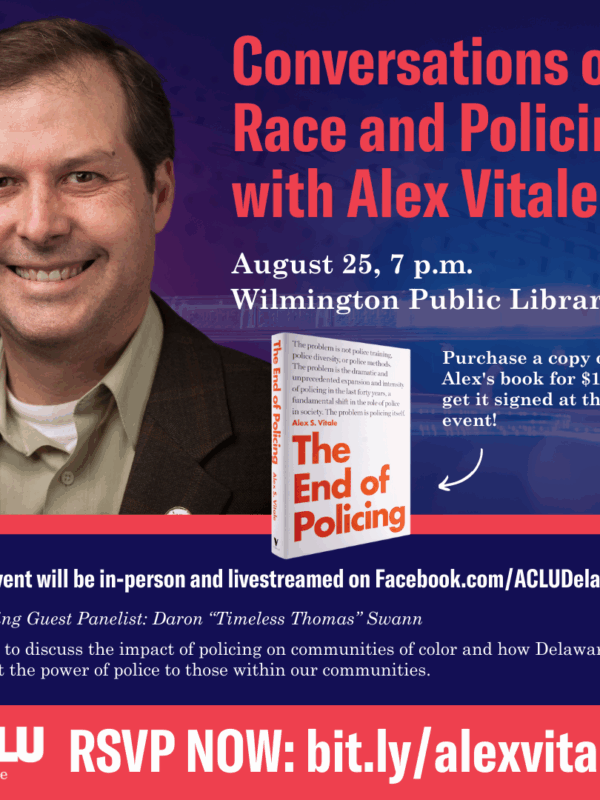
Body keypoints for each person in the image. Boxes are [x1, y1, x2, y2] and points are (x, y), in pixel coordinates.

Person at [0, 17, 270, 515]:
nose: (39, 227)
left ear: (159, 194)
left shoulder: (306, 443)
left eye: (82, 176)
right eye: (1, 183)